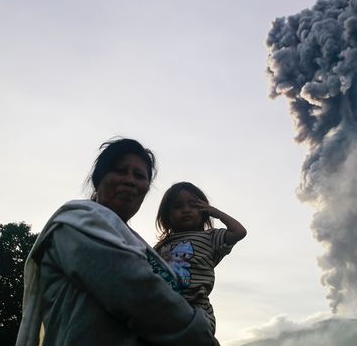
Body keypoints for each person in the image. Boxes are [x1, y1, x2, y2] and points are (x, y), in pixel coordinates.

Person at [15, 138, 213, 346]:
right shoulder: (75, 224)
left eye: (139, 175)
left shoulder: (137, 243)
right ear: (98, 179)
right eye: (120, 171)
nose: (130, 181)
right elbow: (139, 294)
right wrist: (201, 332)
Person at [154, 182, 247, 338]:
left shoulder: (210, 237)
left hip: (196, 309)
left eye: (193, 205)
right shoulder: (160, 246)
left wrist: (216, 213)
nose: (186, 210)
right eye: (177, 206)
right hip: (165, 308)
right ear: (166, 215)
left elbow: (239, 231)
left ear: (204, 211)